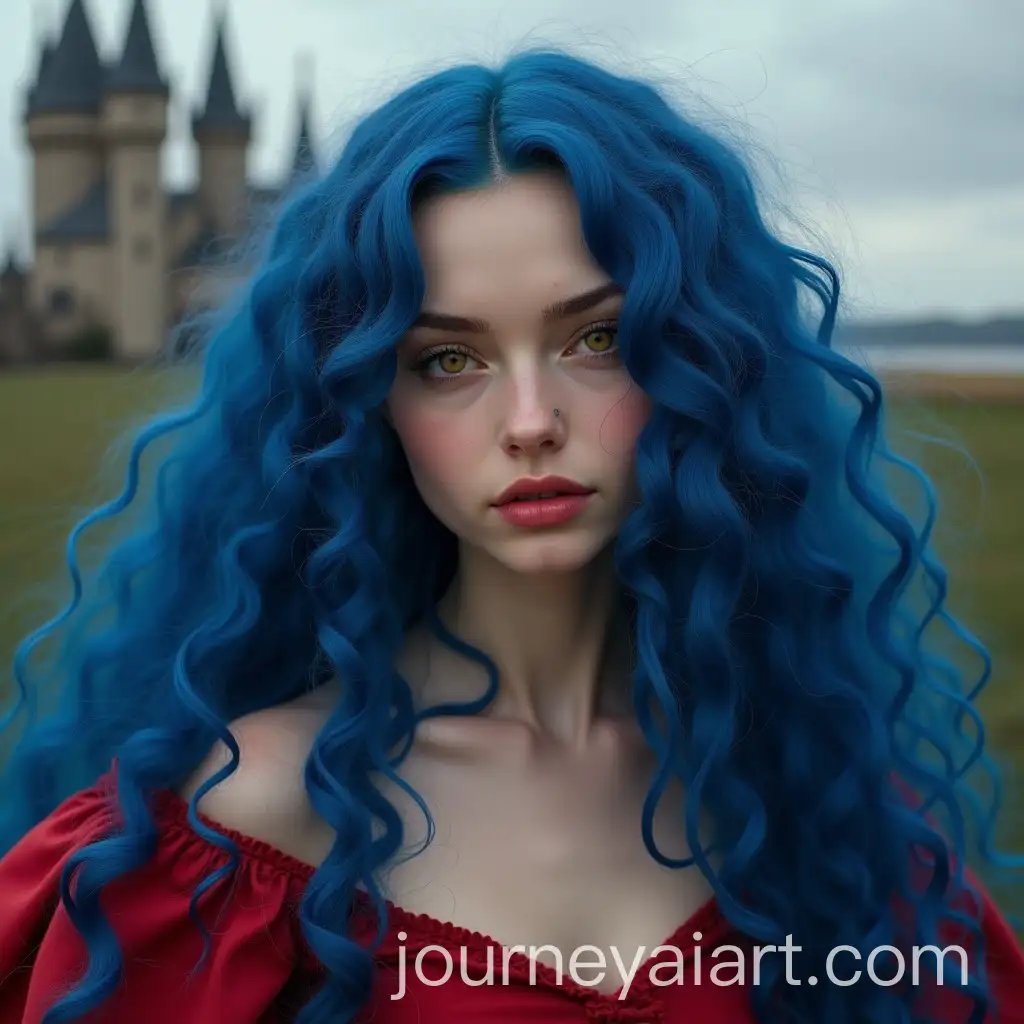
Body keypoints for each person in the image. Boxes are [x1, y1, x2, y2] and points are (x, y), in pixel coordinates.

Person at [0, 49, 1021, 1024]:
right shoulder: (246, 813)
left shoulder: (819, 801)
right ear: (360, 405)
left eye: (598, 339)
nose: (530, 419)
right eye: (448, 359)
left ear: (703, 365)